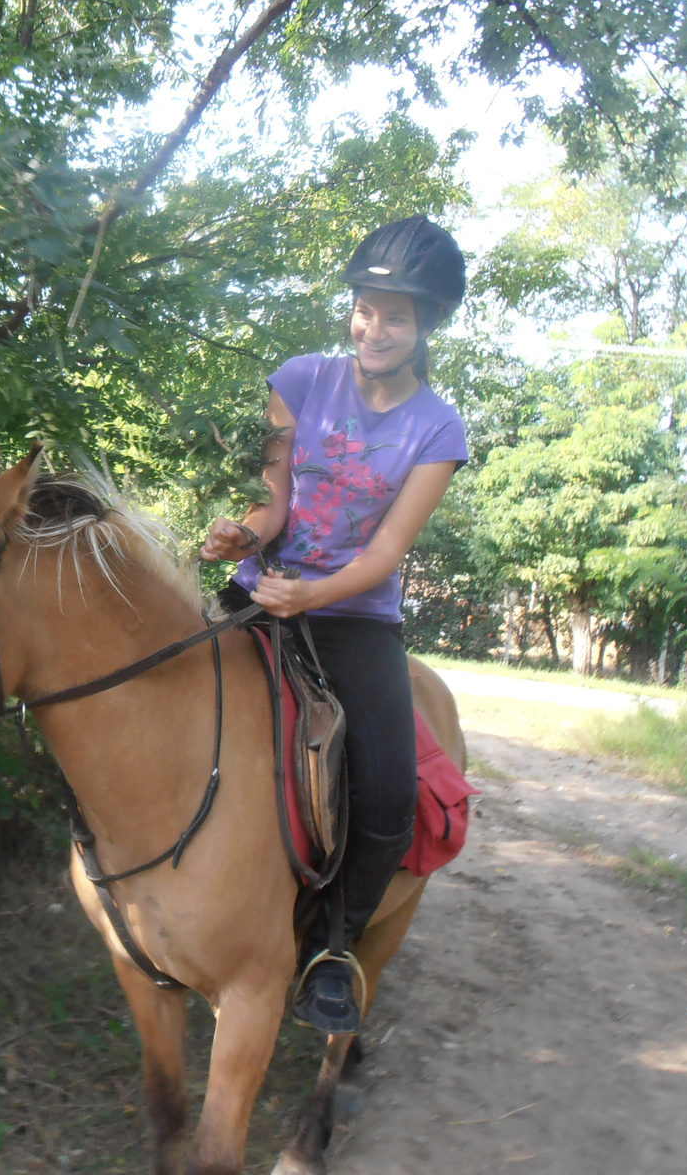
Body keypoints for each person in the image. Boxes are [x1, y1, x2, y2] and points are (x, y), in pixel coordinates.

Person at [199, 215, 469, 1034]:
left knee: (388, 789)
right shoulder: (302, 379)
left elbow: (387, 550)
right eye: (366, 308)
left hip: (355, 618)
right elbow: (275, 500)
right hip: (261, 591)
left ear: (425, 327)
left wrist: (311, 598)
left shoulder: (437, 428)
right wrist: (244, 535)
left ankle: (332, 948)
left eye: (397, 316)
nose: (374, 328)